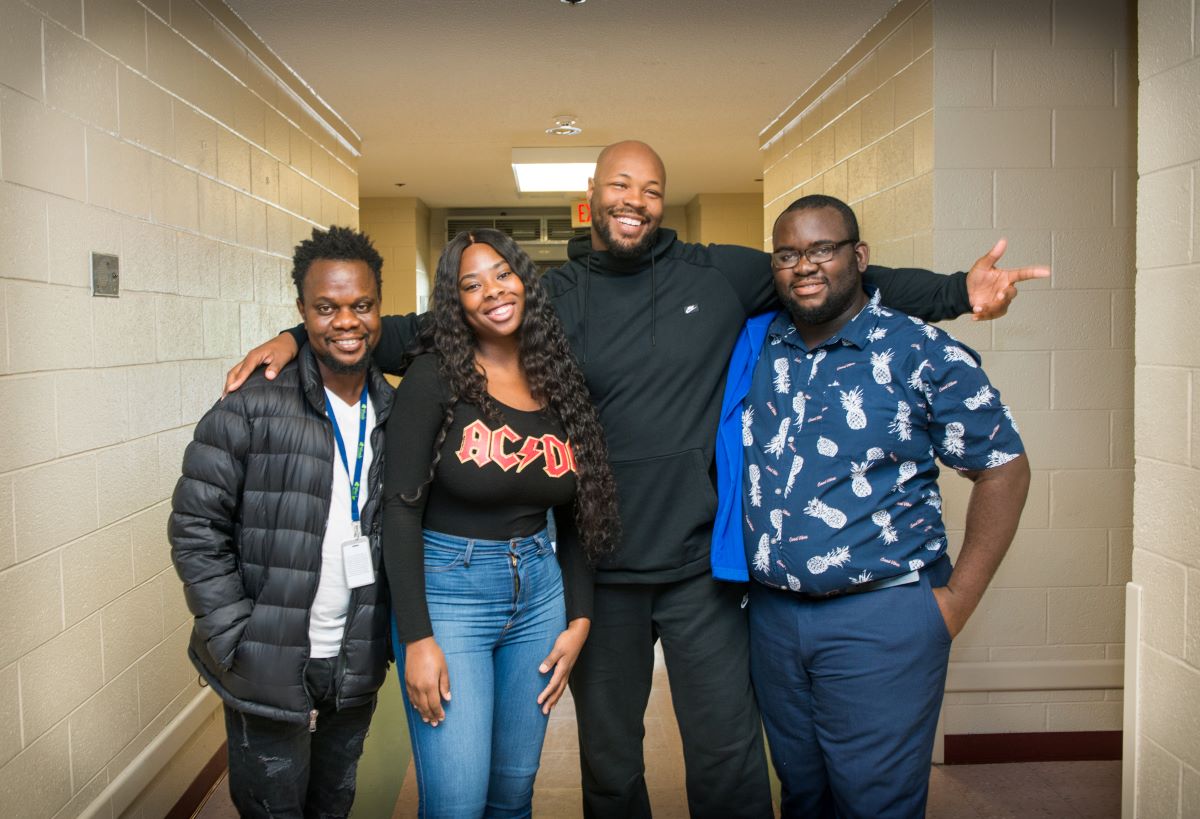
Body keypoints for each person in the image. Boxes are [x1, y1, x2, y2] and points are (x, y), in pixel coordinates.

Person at [224, 141, 1049, 818]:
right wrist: (303, 335)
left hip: (703, 575)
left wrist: (956, 293)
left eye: (651, 188)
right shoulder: (554, 294)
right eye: (619, 185)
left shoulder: (719, 275)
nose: (635, 200)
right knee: (611, 767)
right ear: (592, 198)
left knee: (728, 763)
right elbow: (433, 325)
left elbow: (834, 277)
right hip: (600, 576)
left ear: (662, 200)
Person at [713, 195, 1030, 817]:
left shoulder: (918, 351)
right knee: (804, 796)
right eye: (787, 254)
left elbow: (1004, 468)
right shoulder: (758, 346)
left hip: (883, 619)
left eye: (822, 249)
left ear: (858, 257)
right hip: (773, 620)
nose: (804, 266)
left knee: (874, 802)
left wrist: (956, 601)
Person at [382, 228, 619, 818]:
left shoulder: (557, 379)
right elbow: (400, 509)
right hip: (449, 593)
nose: (491, 291)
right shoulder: (434, 378)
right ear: (455, 303)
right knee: (457, 802)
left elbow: (574, 511)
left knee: (512, 795)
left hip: (538, 594)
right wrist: (417, 637)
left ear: (524, 281)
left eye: (502, 274)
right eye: (471, 284)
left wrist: (580, 616)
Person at [169, 226, 392, 818]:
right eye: (326, 307)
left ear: (379, 308)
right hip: (263, 663)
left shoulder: (396, 410)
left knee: (333, 804)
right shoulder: (250, 402)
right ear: (301, 312)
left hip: (354, 663)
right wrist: (234, 638)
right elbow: (195, 526)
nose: (346, 321)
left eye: (360, 305)